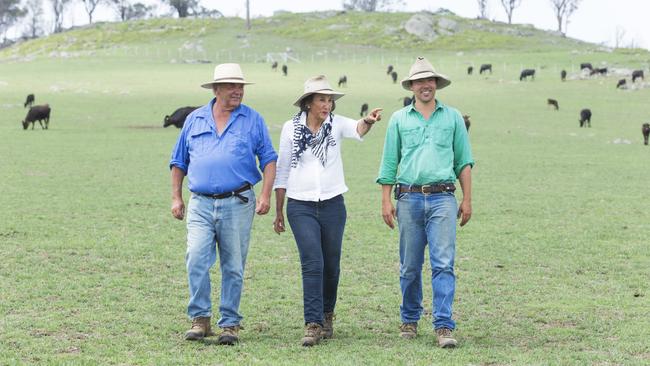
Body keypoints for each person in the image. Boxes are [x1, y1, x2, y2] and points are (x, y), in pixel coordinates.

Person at [169, 63, 277, 345]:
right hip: (200, 203)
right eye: (231, 86)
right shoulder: (194, 119)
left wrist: (265, 195)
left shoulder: (253, 120)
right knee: (195, 258)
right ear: (216, 90)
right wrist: (176, 197)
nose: (237, 91)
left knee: (233, 265)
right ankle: (200, 319)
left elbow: (268, 159)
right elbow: (179, 160)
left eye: (240, 86)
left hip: (238, 202)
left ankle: (229, 323)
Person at [273, 75, 382, 347]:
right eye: (322, 99)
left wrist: (367, 121)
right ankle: (312, 324)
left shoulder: (336, 124)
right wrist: (278, 209)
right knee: (313, 263)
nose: (327, 104)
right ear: (308, 102)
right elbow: (283, 167)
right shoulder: (290, 128)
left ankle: (327, 314)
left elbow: (357, 129)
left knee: (331, 266)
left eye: (330, 100)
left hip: (333, 203)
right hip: (300, 205)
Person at [376, 57, 474, 348]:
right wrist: (385, 200)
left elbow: (464, 161)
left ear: (436, 84)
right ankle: (409, 318)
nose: (425, 86)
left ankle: (444, 325)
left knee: (444, 264)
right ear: (412, 86)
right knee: (409, 265)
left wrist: (467, 199)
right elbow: (389, 162)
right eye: (419, 81)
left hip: (443, 197)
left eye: (429, 81)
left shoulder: (453, 117)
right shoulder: (398, 119)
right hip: (408, 198)